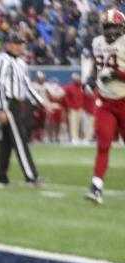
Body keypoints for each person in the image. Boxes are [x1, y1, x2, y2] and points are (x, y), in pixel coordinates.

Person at [0, 33, 45, 187]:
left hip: (17, 104)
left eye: (21, 43)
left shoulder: (21, 63)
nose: (19, 46)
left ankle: (0, 178)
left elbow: (27, 86)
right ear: (8, 44)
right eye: (15, 43)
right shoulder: (3, 60)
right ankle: (31, 176)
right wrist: (1, 108)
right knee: (20, 141)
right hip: (8, 104)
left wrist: (40, 101)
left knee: (6, 143)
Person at [86, 8, 125, 205]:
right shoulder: (97, 43)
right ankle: (96, 186)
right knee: (103, 144)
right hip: (106, 101)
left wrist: (118, 76)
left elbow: (113, 72)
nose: (110, 31)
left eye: (114, 27)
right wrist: (90, 79)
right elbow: (95, 66)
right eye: (107, 27)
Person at [63, 73, 86, 145]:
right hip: (72, 108)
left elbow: (84, 97)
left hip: (81, 108)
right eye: (77, 79)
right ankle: (74, 138)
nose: (78, 80)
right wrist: (69, 107)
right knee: (73, 123)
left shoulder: (82, 87)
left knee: (80, 123)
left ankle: (79, 137)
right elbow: (66, 98)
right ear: (73, 79)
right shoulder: (69, 87)